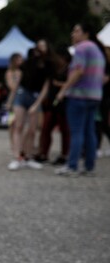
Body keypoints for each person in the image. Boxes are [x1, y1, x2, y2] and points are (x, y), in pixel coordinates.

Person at [55, 22, 106, 177]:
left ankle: (72, 166)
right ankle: (89, 166)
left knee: (76, 132)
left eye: (76, 30)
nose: (73, 34)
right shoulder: (98, 50)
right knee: (89, 131)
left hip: (79, 95)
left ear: (86, 33)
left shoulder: (81, 48)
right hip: (94, 95)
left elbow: (78, 71)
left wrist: (63, 90)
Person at [7, 46, 52, 171]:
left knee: (32, 129)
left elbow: (45, 87)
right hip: (22, 96)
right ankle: (17, 157)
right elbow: (15, 86)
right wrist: (10, 102)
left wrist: (37, 104)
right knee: (18, 126)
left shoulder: (47, 68)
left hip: (35, 97)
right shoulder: (24, 67)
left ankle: (28, 156)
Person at [34, 49, 71, 165]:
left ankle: (65, 155)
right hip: (51, 102)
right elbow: (47, 85)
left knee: (65, 130)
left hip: (64, 103)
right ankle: (43, 153)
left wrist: (60, 85)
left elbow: (75, 83)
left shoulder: (70, 69)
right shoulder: (53, 70)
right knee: (46, 128)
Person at [4, 52, 23, 152]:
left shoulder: (21, 72)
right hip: (11, 101)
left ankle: (19, 145)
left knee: (19, 124)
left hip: (19, 100)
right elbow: (12, 86)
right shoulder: (9, 72)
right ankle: (13, 145)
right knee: (11, 123)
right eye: (19, 59)